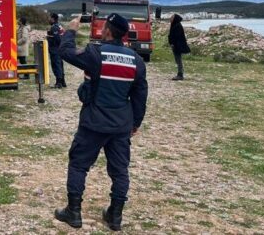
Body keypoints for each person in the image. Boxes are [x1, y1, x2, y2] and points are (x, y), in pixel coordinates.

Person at [54, 13, 148, 231]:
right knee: (120, 170)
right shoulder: (136, 60)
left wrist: (71, 30)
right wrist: (135, 123)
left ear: (107, 31)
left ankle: (73, 212)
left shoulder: (95, 53)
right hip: (121, 125)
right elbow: (140, 95)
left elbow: (65, 51)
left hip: (93, 123)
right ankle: (115, 216)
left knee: (78, 164)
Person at [168, 14, 190, 81]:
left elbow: (176, 37)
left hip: (177, 46)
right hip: (175, 45)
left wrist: (173, 44)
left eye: (172, 18)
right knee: (177, 60)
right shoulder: (174, 25)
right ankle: (180, 73)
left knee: (178, 60)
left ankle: (180, 74)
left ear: (175, 19)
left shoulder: (177, 26)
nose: (170, 19)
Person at [47, 13, 65, 88]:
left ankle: (59, 83)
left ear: (53, 19)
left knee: (56, 65)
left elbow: (57, 39)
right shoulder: (59, 26)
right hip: (60, 49)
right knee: (60, 64)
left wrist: (49, 39)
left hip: (55, 49)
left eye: (49, 18)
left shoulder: (54, 27)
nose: (48, 19)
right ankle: (63, 82)